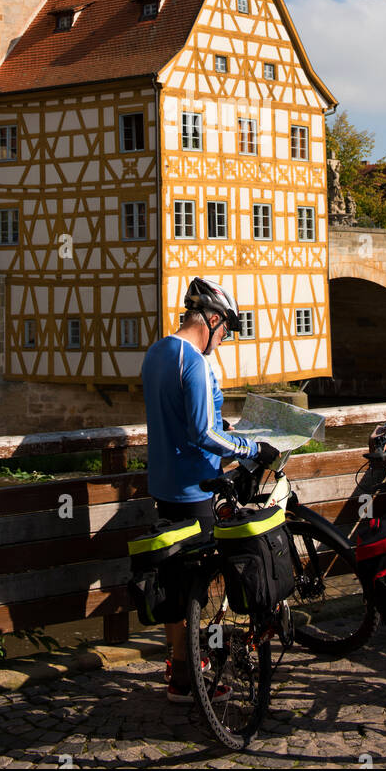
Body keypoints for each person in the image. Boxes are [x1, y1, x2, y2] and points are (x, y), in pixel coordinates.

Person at [141, 277, 279, 702]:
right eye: (226, 330)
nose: (224, 339)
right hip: (196, 489)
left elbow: (180, 420)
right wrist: (251, 446)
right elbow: (202, 432)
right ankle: (199, 675)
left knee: (175, 580)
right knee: (207, 585)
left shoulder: (157, 351)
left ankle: (180, 671)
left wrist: (225, 430)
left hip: (163, 486)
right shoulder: (196, 363)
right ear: (214, 319)